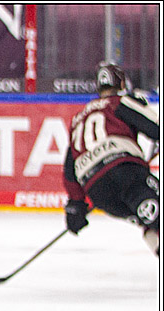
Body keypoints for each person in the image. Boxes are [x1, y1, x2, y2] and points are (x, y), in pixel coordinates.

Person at [63, 62, 160, 257]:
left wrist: (76, 205)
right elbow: (154, 127)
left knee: (149, 221)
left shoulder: (78, 119)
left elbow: (69, 169)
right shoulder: (120, 102)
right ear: (122, 83)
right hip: (125, 173)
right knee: (155, 215)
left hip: (97, 190)